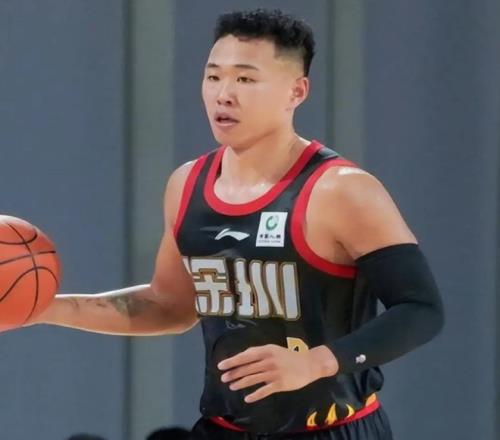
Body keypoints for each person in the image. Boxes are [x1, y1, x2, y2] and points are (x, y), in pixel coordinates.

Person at [29, 8, 444, 440]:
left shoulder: (341, 190)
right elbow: (169, 305)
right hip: (223, 428)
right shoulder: (186, 184)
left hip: (333, 428)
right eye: (213, 77)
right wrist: (41, 307)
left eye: (245, 79)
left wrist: (317, 362)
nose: (223, 94)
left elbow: (421, 309)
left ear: (296, 91)